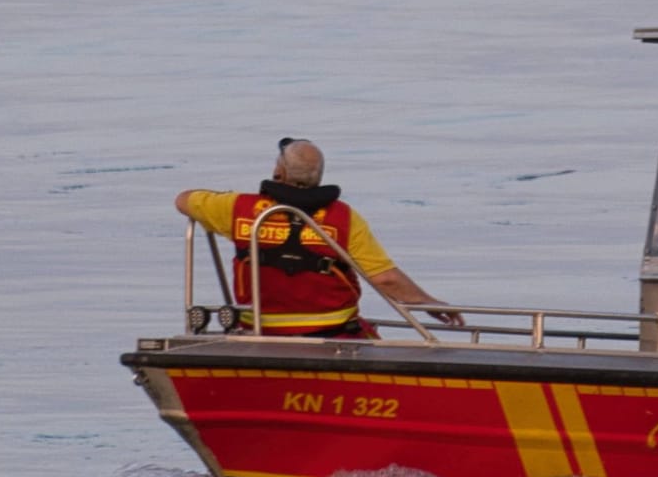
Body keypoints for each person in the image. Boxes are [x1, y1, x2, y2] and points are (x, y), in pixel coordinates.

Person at [174, 138, 461, 336]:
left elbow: (183, 199)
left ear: (278, 171)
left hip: (260, 335)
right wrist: (429, 303)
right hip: (333, 337)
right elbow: (386, 279)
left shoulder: (238, 209)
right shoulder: (344, 218)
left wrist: (224, 198)